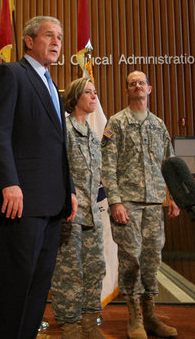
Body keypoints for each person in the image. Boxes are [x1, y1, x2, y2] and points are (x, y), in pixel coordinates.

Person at [0, 15, 78, 338]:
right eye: (49, 36)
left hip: (52, 202)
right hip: (20, 201)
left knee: (39, 286)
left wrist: (70, 190)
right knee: (16, 286)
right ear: (28, 40)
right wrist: (9, 182)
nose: (56, 43)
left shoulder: (52, 83)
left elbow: (57, 146)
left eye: (60, 38)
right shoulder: (11, 74)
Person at [101, 71, 180, 339]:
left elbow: (170, 164)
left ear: (150, 89)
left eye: (141, 83)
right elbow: (107, 166)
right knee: (131, 260)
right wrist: (115, 201)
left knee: (152, 260)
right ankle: (134, 317)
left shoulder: (158, 125)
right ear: (127, 90)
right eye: (132, 83)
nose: (137, 86)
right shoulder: (117, 123)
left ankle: (151, 316)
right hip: (128, 204)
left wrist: (173, 197)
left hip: (154, 204)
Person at [51, 78, 105, 339]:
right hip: (70, 214)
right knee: (69, 272)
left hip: (93, 215)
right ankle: (69, 325)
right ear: (75, 98)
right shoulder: (64, 130)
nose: (94, 97)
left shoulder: (94, 136)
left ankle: (88, 321)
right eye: (88, 92)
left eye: (95, 93)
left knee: (95, 268)